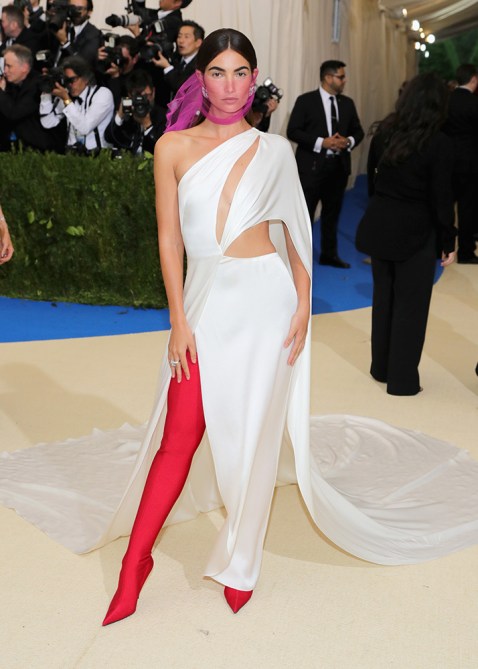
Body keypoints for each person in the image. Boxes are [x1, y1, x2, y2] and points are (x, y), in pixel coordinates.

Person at [102, 27, 312, 625]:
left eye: (240, 72)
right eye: (217, 72)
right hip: (204, 304)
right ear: (201, 79)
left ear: (254, 78)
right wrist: (178, 318)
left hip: (267, 305)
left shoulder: (276, 152)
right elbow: (169, 239)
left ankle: (241, 560)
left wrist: (302, 303)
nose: (230, 85)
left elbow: (294, 232)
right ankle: (134, 564)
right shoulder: (171, 147)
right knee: (180, 436)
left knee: (253, 436)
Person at [355, 73, 456, 396]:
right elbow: (442, 199)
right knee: (411, 307)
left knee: (384, 299)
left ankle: (381, 368)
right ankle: (402, 380)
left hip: (381, 224)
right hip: (416, 232)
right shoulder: (438, 143)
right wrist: (448, 240)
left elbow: (373, 183)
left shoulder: (384, 132)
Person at [287, 60, 364, 268]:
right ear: (328, 78)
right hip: (311, 169)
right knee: (305, 216)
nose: (344, 80)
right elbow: (293, 131)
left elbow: (358, 131)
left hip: (338, 168)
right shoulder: (306, 101)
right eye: (341, 77)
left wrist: (348, 141)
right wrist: (322, 142)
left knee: (332, 215)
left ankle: (329, 255)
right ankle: (299, 260)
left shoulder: (347, 103)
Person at [39, 55, 114, 154]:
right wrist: (47, 91)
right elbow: (47, 122)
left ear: (86, 78)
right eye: (66, 80)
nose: (69, 85)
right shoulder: (67, 95)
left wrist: (66, 99)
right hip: (72, 156)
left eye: (72, 80)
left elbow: (85, 128)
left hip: (98, 156)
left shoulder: (102, 94)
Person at [0, 44, 66, 152]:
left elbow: (14, 113)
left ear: (24, 67)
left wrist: (1, 92)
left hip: (41, 150)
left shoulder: (37, 85)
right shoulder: (12, 85)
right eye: (4, 66)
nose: (5, 71)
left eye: (9, 66)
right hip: (17, 148)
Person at [443, 63, 478, 264]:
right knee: (467, 208)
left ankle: (442, 247)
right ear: (474, 79)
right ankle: (465, 251)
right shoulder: (474, 103)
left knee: (444, 205)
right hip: (470, 162)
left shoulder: (446, 101)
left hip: (447, 160)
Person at [104, 69, 166, 155]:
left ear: (153, 92)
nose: (141, 101)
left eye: (145, 96)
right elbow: (109, 138)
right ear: (129, 95)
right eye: (137, 96)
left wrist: (148, 125)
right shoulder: (128, 116)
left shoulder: (164, 116)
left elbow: (163, 150)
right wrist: (119, 116)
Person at [151, 20, 204, 100]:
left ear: (198, 42)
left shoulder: (201, 64)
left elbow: (182, 88)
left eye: (186, 37)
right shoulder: (175, 58)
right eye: (179, 36)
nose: (181, 41)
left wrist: (167, 67)